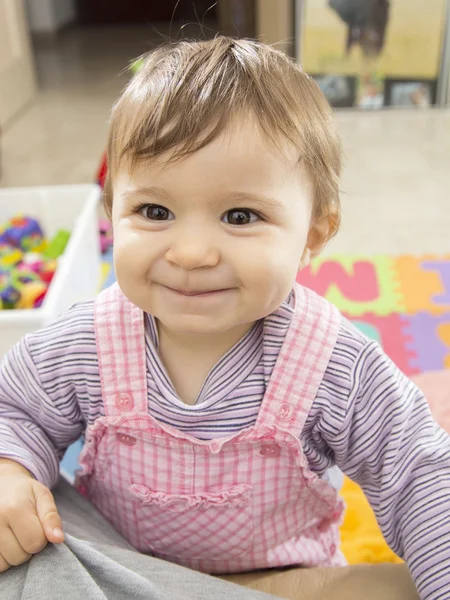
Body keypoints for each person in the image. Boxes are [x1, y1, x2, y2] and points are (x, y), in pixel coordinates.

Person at [0, 37, 448, 599]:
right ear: (113, 211)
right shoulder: (86, 343)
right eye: (154, 211)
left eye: (240, 216)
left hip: (285, 583)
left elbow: (420, 473)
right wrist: (10, 471)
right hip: (129, 576)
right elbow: (15, 410)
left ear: (312, 235)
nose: (191, 252)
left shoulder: (332, 363)